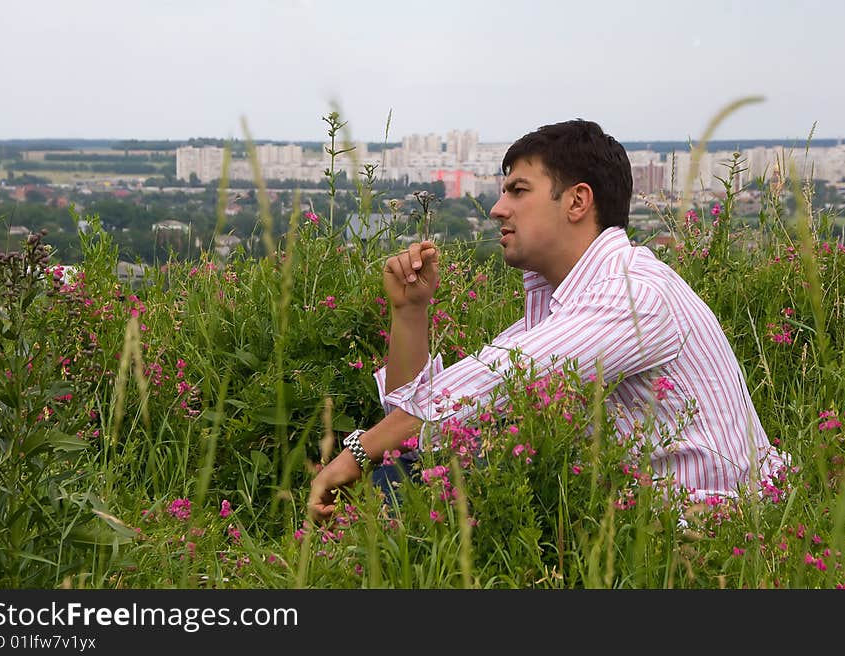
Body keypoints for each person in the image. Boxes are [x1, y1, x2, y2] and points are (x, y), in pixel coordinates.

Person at [308, 119, 787, 523]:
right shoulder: (567, 304)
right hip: (639, 513)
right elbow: (423, 421)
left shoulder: (631, 294)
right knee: (417, 462)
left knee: (412, 470)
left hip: (711, 525)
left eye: (518, 191)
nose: (498, 209)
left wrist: (353, 455)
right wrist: (410, 312)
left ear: (578, 202)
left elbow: (479, 386)